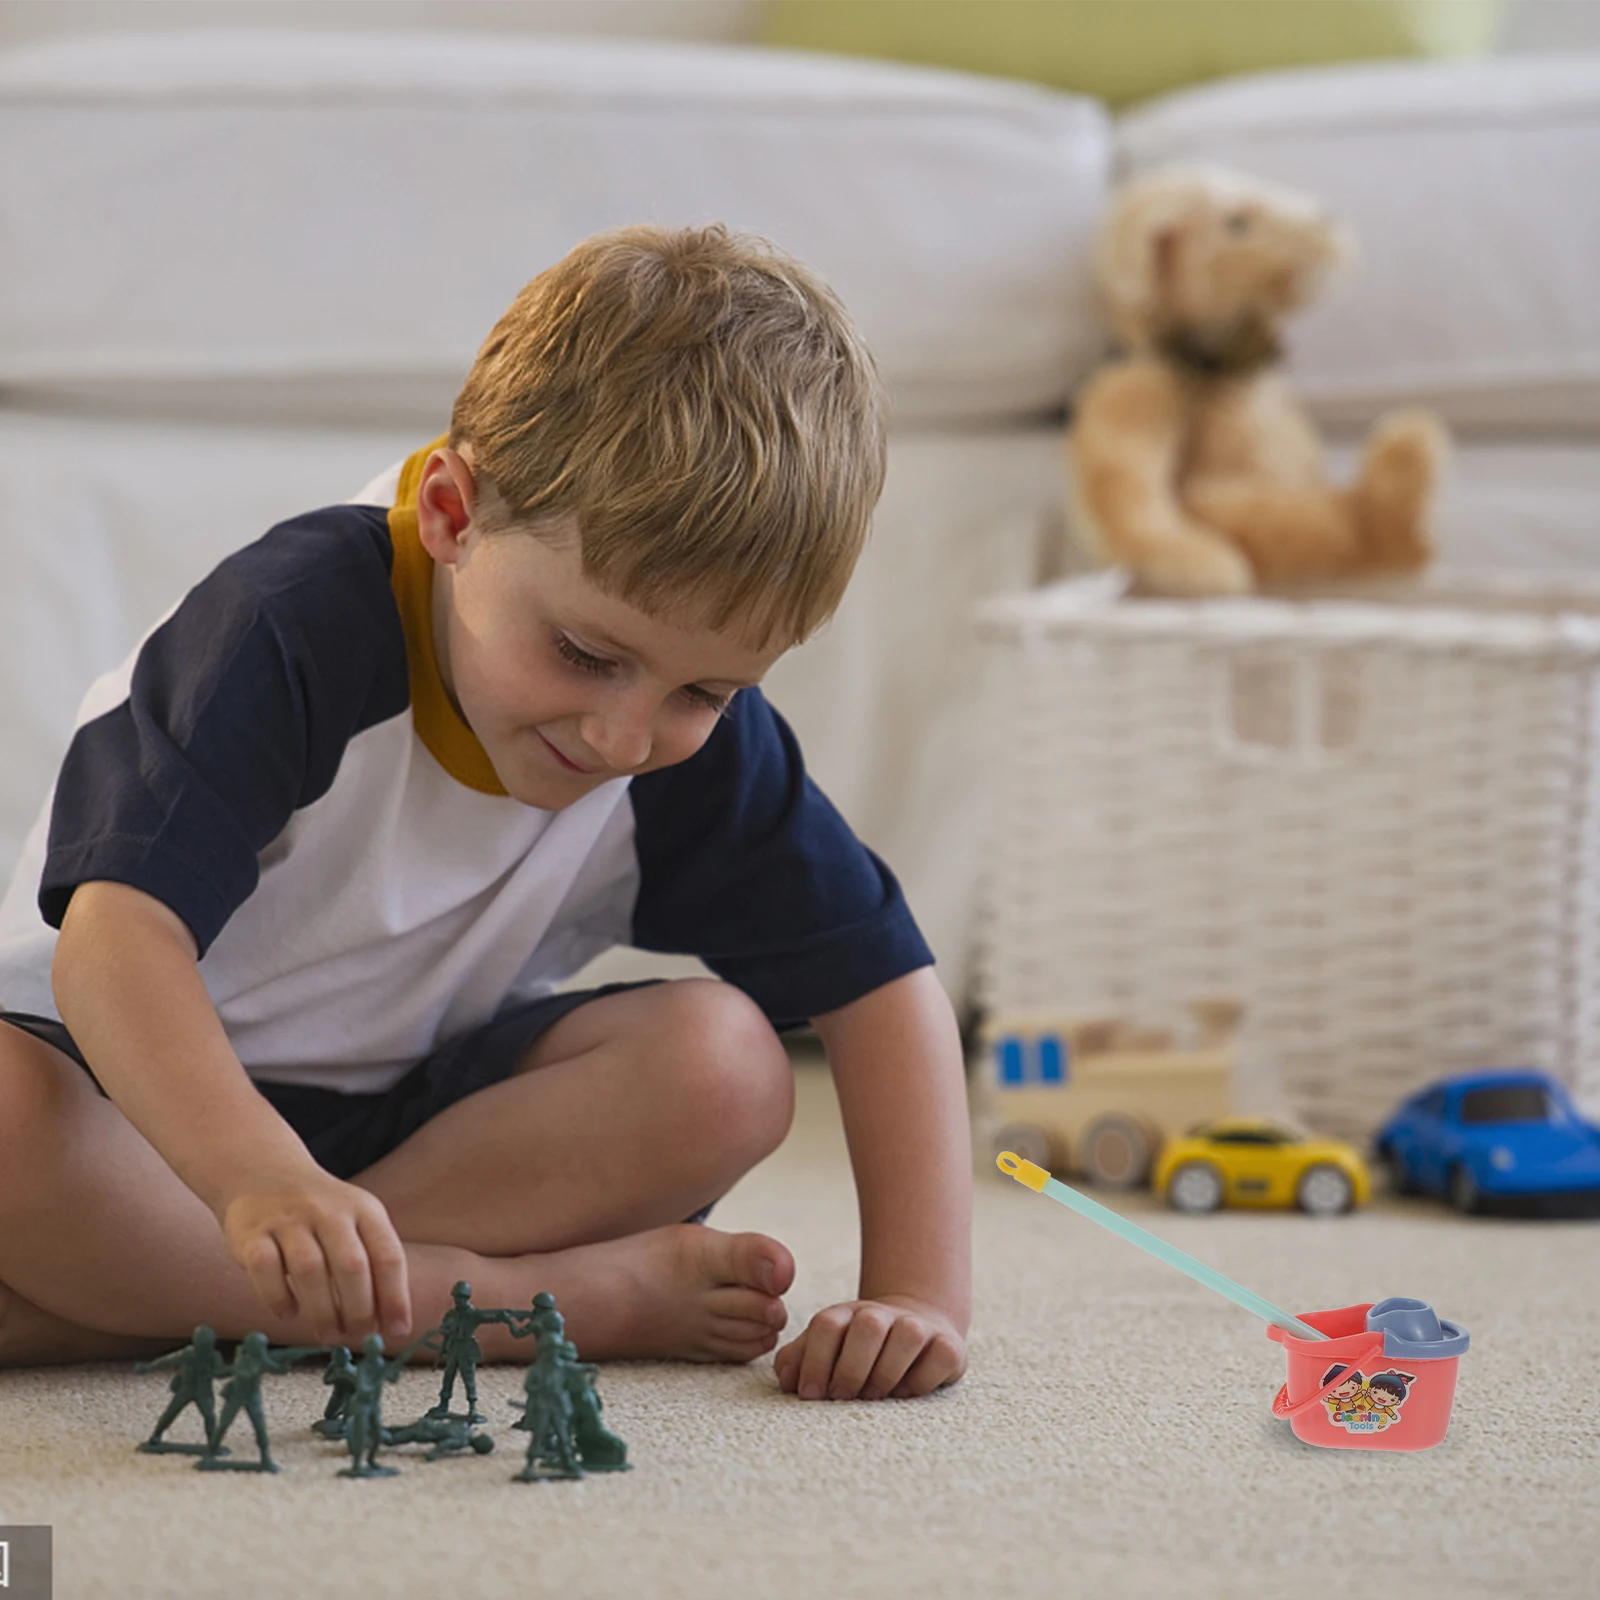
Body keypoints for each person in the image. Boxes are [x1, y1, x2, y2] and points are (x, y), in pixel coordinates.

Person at [0, 223, 971, 1405]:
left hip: (419, 1130)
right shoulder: (290, 625)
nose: (623, 738)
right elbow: (115, 943)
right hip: (121, 1102)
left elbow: (882, 984)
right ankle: (517, 1304)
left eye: (704, 692)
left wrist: (920, 1295)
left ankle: (123, 1302)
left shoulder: (675, 745)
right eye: (584, 652)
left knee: (727, 1064)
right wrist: (255, 1176)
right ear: (455, 519)